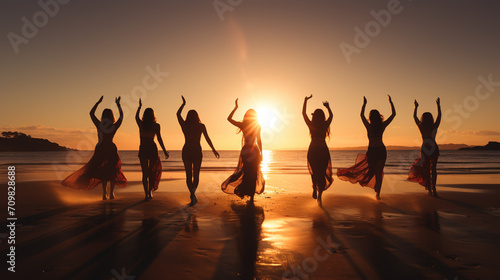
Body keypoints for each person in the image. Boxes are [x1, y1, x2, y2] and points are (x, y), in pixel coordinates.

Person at [61, 96, 127, 200]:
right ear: (111, 116)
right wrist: (118, 105)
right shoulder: (114, 126)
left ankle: (104, 193)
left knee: (103, 171)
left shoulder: (100, 125)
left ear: (103, 116)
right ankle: (111, 193)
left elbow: (91, 113)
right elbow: (121, 117)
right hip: (111, 148)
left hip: (101, 148)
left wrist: (97, 102)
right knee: (113, 171)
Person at [337, 95, 396, 200]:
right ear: (378, 117)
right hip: (380, 151)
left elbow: (361, 116)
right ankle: (378, 192)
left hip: (374, 151)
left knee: (376, 172)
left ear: (371, 118)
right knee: (376, 172)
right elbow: (393, 114)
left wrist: (364, 105)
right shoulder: (379, 126)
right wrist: (390, 102)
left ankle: (378, 194)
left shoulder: (371, 127)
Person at [177, 96, 220, 206]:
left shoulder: (185, 125)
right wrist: (213, 150)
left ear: (188, 116)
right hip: (196, 151)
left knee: (188, 175)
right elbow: (207, 138)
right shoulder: (201, 126)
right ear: (197, 117)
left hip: (186, 151)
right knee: (196, 175)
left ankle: (192, 194)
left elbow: (178, 114)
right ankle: (192, 193)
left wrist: (183, 104)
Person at [222, 99, 265, 203]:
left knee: (247, 172)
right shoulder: (256, 125)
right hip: (254, 150)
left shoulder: (244, 125)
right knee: (252, 173)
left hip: (247, 151)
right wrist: (261, 153)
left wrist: (235, 108)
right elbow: (259, 141)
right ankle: (250, 195)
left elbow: (229, 118)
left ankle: (246, 192)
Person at [136, 98, 169, 200]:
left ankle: (147, 193)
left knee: (145, 172)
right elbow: (159, 139)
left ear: (144, 115)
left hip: (143, 149)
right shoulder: (156, 125)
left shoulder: (141, 124)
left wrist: (139, 107)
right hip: (152, 148)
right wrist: (164, 150)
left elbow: (136, 117)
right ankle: (149, 192)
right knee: (151, 172)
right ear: (153, 115)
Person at [302, 94, 333, 203]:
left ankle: (315, 188)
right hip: (323, 151)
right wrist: (328, 107)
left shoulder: (311, 125)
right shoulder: (325, 125)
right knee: (322, 173)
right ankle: (319, 195)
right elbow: (331, 116)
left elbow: (304, 114)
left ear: (314, 116)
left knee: (314, 172)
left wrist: (305, 101)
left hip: (313, 150)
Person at [408, 98, 441, 197]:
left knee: (426, 169)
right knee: (433, 169)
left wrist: (416, 107)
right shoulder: (434, 126)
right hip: (434, 147)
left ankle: (430, 189)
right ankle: (433, 189)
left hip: (425, 149)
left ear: (423, 118)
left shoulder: (421, 126)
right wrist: (438, 106)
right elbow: (439, 116)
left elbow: (414, 117)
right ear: (431, 119)